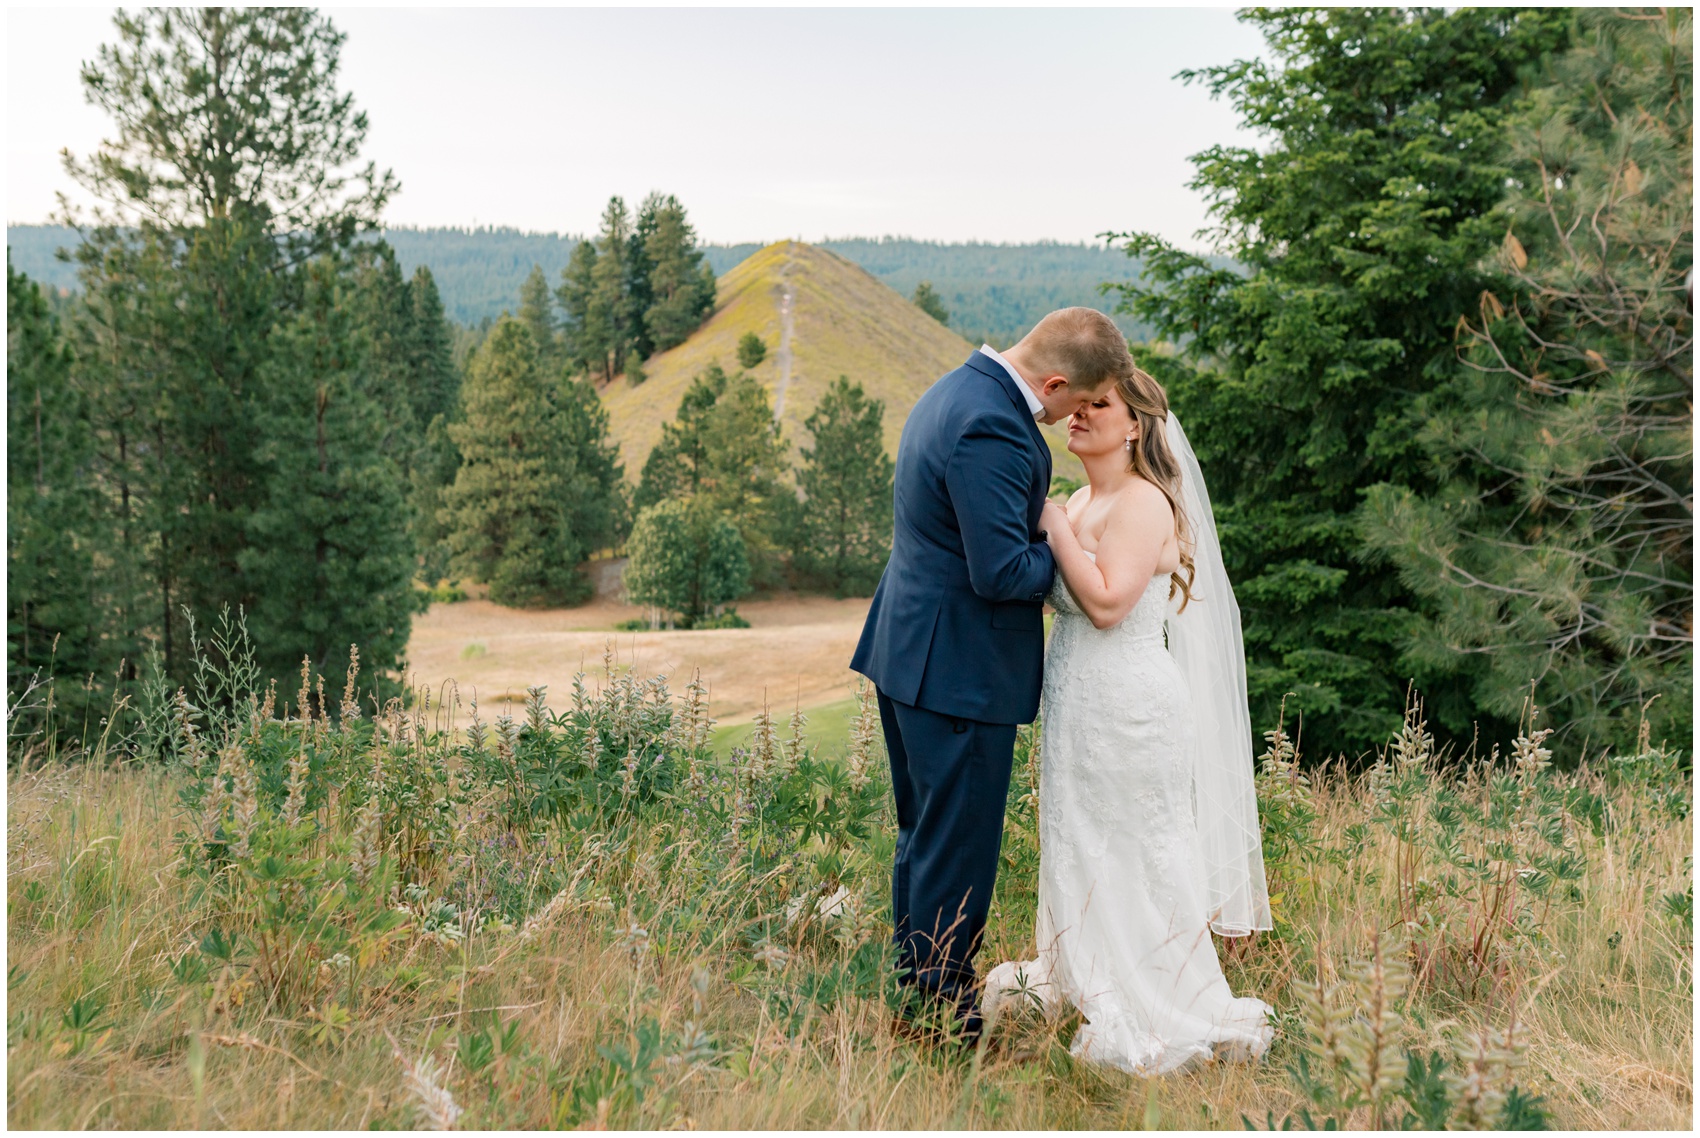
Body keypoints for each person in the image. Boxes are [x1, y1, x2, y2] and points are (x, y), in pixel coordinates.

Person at [850, 307, 1135, 1044]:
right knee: (957, 848)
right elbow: (1002, 568)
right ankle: (943, 1021)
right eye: (1076, 402)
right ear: (1056, 381)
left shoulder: (955, 389)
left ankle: (918, 1000)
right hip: (957, 673)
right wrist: (1067, 542)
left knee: (927, 838)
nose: (1070, 418)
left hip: (916, 653)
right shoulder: (995, 425)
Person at [981, 364, 1274, 1074]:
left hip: (1132, 705)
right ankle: (1086, 967)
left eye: (1098, 405)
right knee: (1081, 841)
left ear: (1135, 424)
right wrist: (1058, 519)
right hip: (1078, 702)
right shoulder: (1082, 499)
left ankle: (1158, 991)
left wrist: (1048, 523)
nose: (1078, 415)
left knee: (1138, 847)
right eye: (1076, 404)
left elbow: (1108, 604)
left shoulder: (1140, 503)